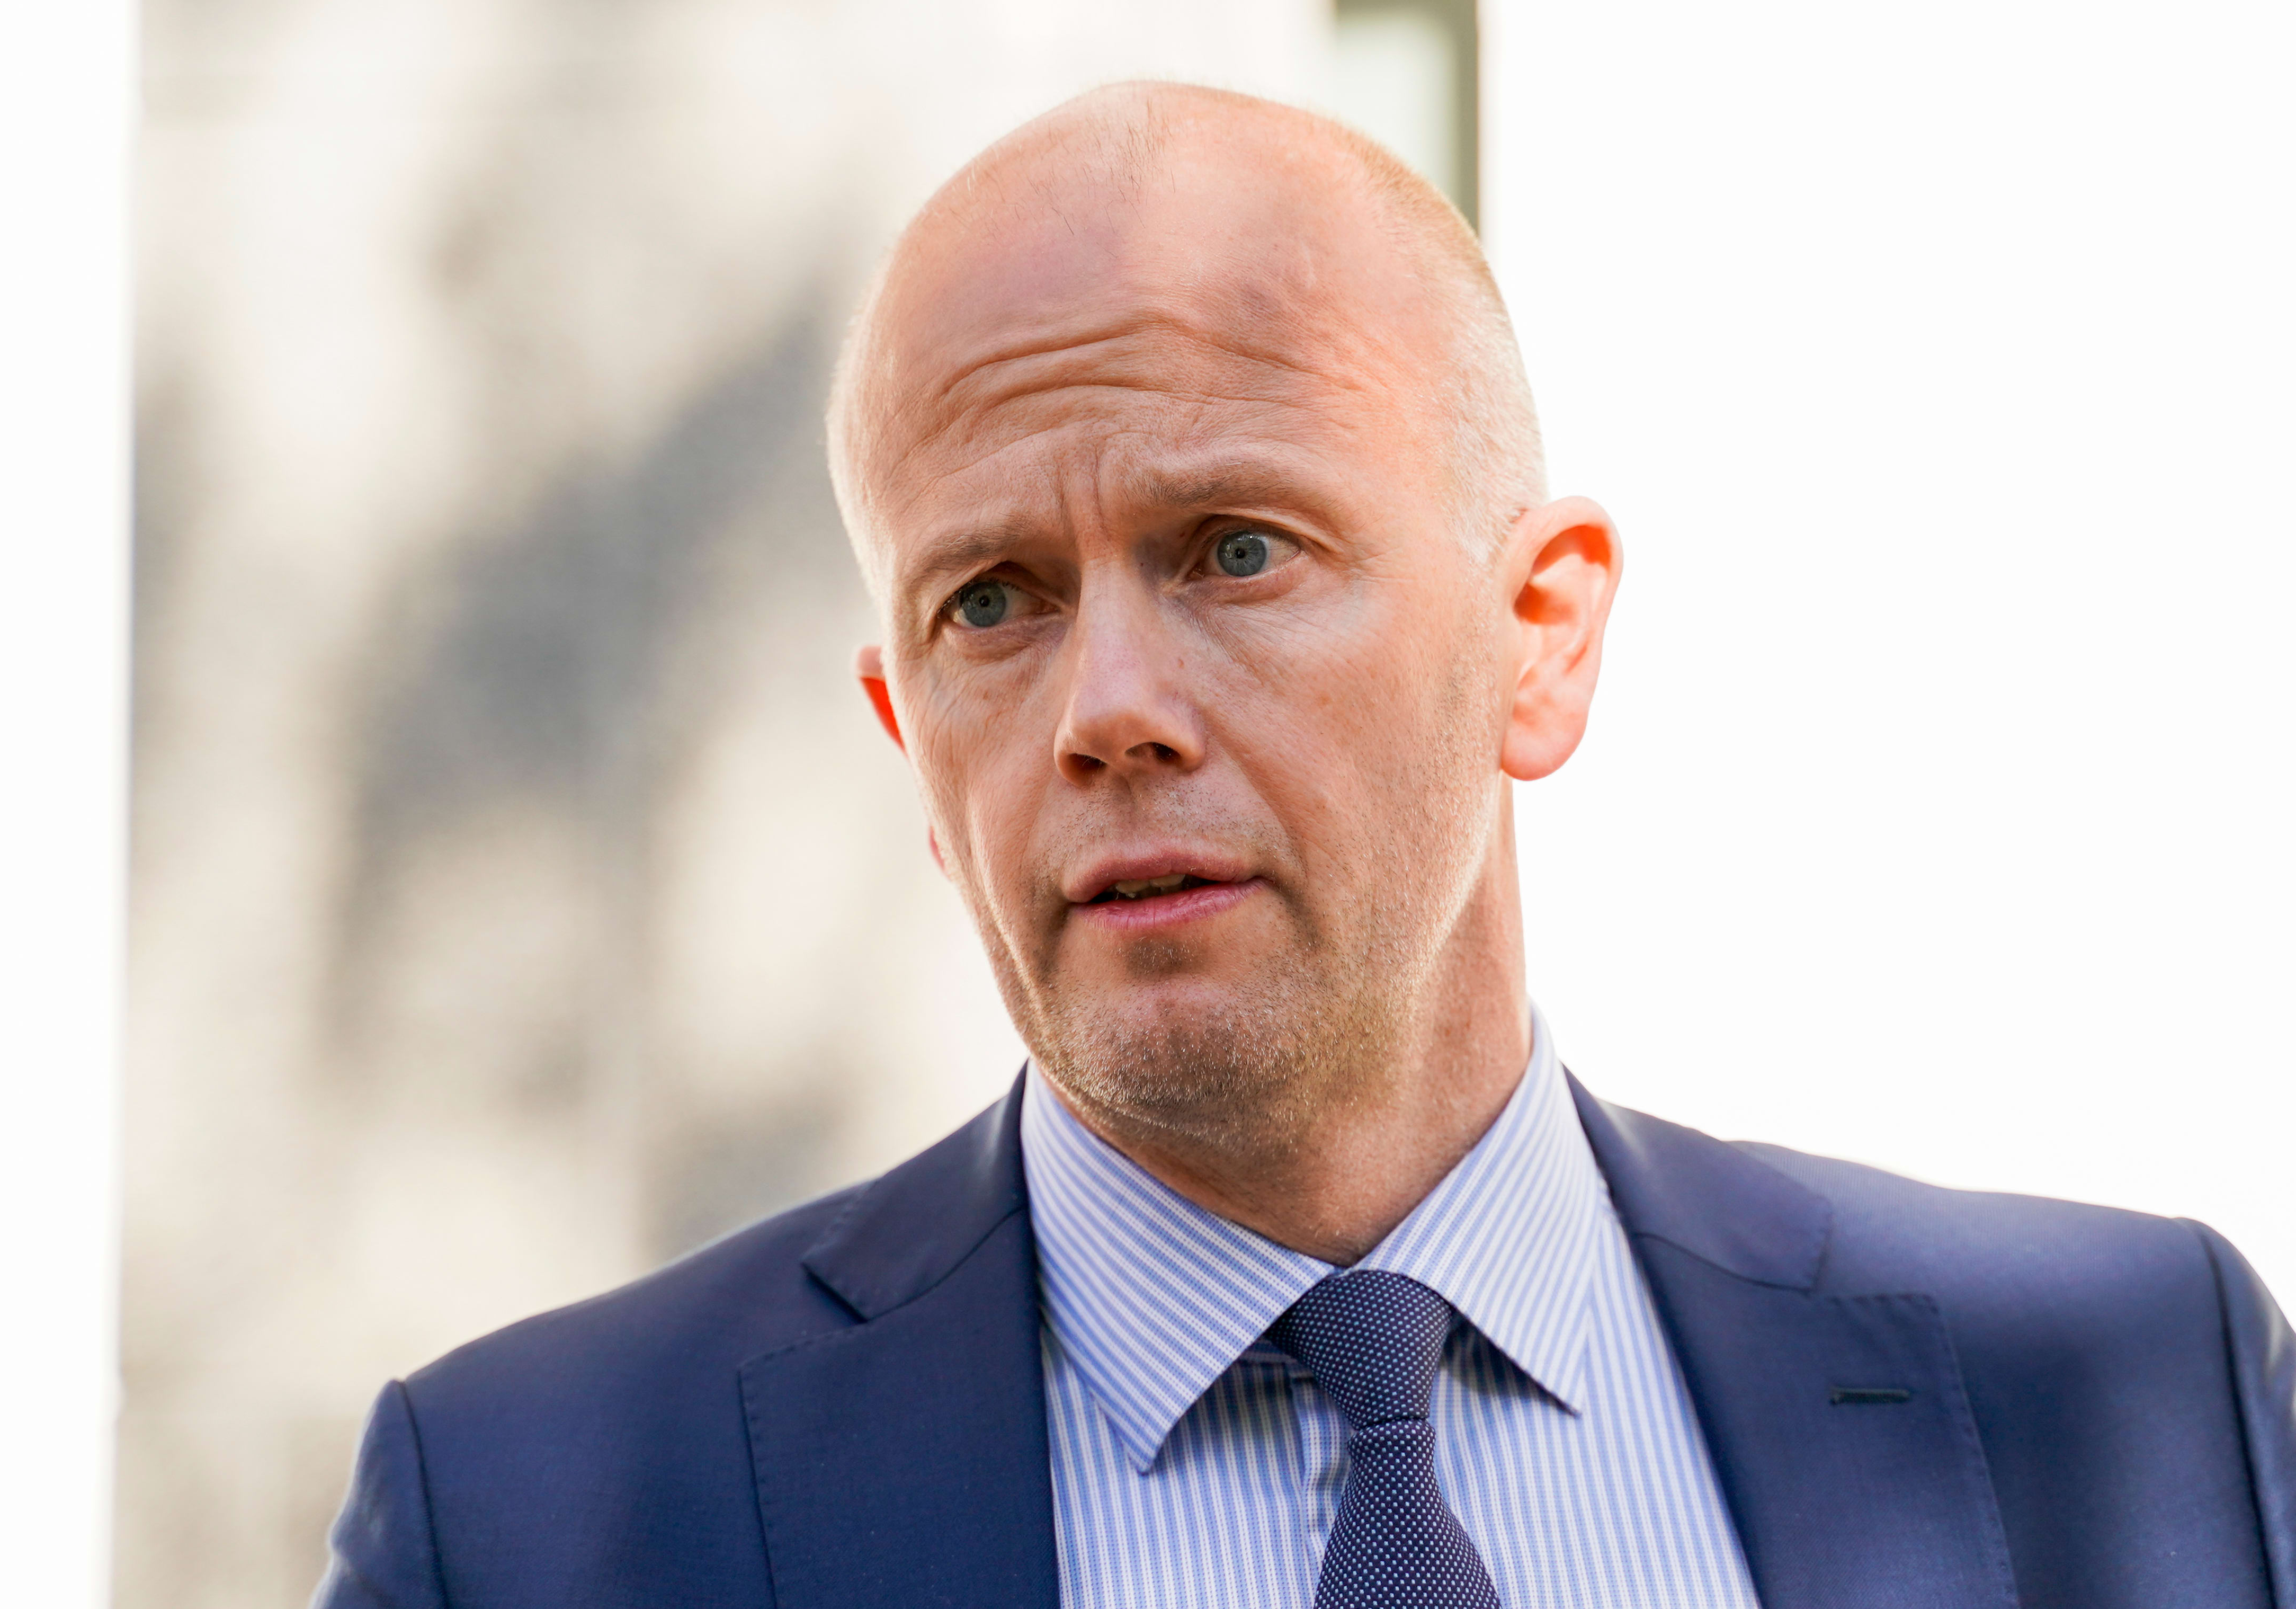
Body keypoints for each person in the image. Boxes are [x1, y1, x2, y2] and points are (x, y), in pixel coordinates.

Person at [314, 83, 2294, 1609]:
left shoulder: (2128, 1397)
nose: (1106, 709)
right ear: (909, 744)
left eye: (1235, 550)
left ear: (1539, 639)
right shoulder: (534, 1520)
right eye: (990, 601)